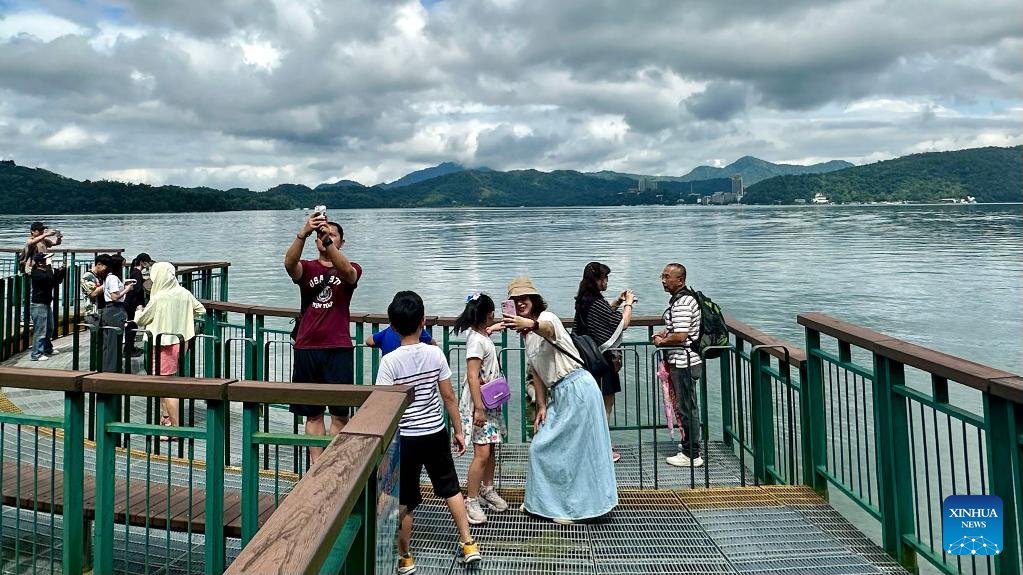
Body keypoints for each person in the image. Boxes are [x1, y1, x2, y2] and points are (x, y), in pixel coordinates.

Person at [373, 291, 481, 572]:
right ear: (423, 321)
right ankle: (468, 542)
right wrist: (459, 431)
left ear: (393, 327)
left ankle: (405, 557)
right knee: (450, 488)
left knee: (405, 498)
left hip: (405, 437)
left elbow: (383, 404)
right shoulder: (435, 353)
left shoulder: (390, 362)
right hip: (435, 432)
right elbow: (449, 397)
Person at [502, 276, 618, 524]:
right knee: (543, 446)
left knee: (578, 452)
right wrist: (541, 406)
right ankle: (548, 503)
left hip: (577, 388)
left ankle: (574, 509)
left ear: (534, 300)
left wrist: (530, 324)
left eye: (524, 298)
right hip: (560, 393)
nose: (520, 303)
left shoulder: (547, 318)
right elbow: (537, 374)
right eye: (515, 300)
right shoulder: (526, 337)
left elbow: (548, 330)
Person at [283, 211, 362, 463]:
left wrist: (327, 240)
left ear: (341, 242)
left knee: (340, 413)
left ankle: (335, 462)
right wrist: (303, 233)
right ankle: (317, 464)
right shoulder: (306, 268)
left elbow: (348, 272)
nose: (326, 237)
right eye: (322, 234)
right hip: (308, 347)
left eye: (332, 234)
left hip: (338, 347)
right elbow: (288, 263)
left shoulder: (352, 268)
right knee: (313, 413)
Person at [454, 292, 509, 525]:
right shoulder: (476, 341)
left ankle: (487, 489)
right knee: (482, 453)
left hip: (489, 403)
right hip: (480, 405)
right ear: (487, 314)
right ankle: (471, 499)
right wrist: (478, 409)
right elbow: (472, 375)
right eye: (492, 313)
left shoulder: (479, 334)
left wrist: (493, 328)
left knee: (491, 450)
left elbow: (483, 333)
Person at [573, 262, 635, 463]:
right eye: (604, 278)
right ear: (596, 280)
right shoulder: (595, 301)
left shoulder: (584, 299)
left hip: (586, 359)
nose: (606, 281)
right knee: (605, 403)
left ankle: (595, 444)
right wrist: (629, 304)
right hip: (601, 360)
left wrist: (617, 301)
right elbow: (620, 324)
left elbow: (601, 316)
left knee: (593, 404)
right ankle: (601, 448)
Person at [134, 262, 206, 427]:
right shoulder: (184, 292)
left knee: (166, 385)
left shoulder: (159, 297)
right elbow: (201, 310)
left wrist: (138, 310)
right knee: (165, 380)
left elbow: (142, 320)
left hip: (163, 342)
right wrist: (184, 317)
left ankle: (174, 427)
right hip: (182, 340)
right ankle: (166, 417)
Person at [652, 263, 703, 468]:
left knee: (686, 407)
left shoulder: (682, 302)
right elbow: (679, 328)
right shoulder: (683, 300)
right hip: (687, 360)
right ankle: (690, 447)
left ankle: (692, 454)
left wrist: (661, 341)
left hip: (684, 361)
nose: (663, 281)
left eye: (667, 277)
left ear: (680, 280)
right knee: (685, 406)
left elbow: (682, 335)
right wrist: (666, 332)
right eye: (662, 276)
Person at [29, 253, 66, 361]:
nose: (49, 261)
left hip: (46, 304)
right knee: (40, 331)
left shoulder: (45, 272)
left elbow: (55, 281)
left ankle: (47, 348)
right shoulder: (37, 273)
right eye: (46, 260)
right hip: (38, 305)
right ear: (40, 262)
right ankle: (36, 354)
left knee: (50, 328)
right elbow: (49, 279)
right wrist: (50, 266)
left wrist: (62, 271)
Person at [100, 255, 131, 372]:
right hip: (115, 310)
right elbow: (115, 296)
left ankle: (106, 367)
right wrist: (127, 289)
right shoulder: (112, 278)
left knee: (108, 342)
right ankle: (112, 369)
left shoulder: (108, 277)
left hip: (110, 310)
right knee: (114, 342)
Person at [123, 253, 154, 361]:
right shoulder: (137, 273)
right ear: (141, 261)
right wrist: (139, 304)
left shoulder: (134, 271)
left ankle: (130, 347)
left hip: (130, 302)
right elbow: (137, 289)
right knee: (132, 326)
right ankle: (128, 349)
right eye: (146, 262)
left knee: (131, 325)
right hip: (132, 303)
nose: (147, 264)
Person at [365, 324, 433, 355]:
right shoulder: (419, 333)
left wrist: (380, 343)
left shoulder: (386, 333)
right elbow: (433, 344)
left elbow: (369, 341)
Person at [80, 257, 107, 326]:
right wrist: (107, 284)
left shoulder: (100, 276)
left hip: (102, 311)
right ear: (98, 264)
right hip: (93, 313)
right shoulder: (88, 276)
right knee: (95, 335)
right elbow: (92, 294)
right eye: (105, 268)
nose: (106, 271)